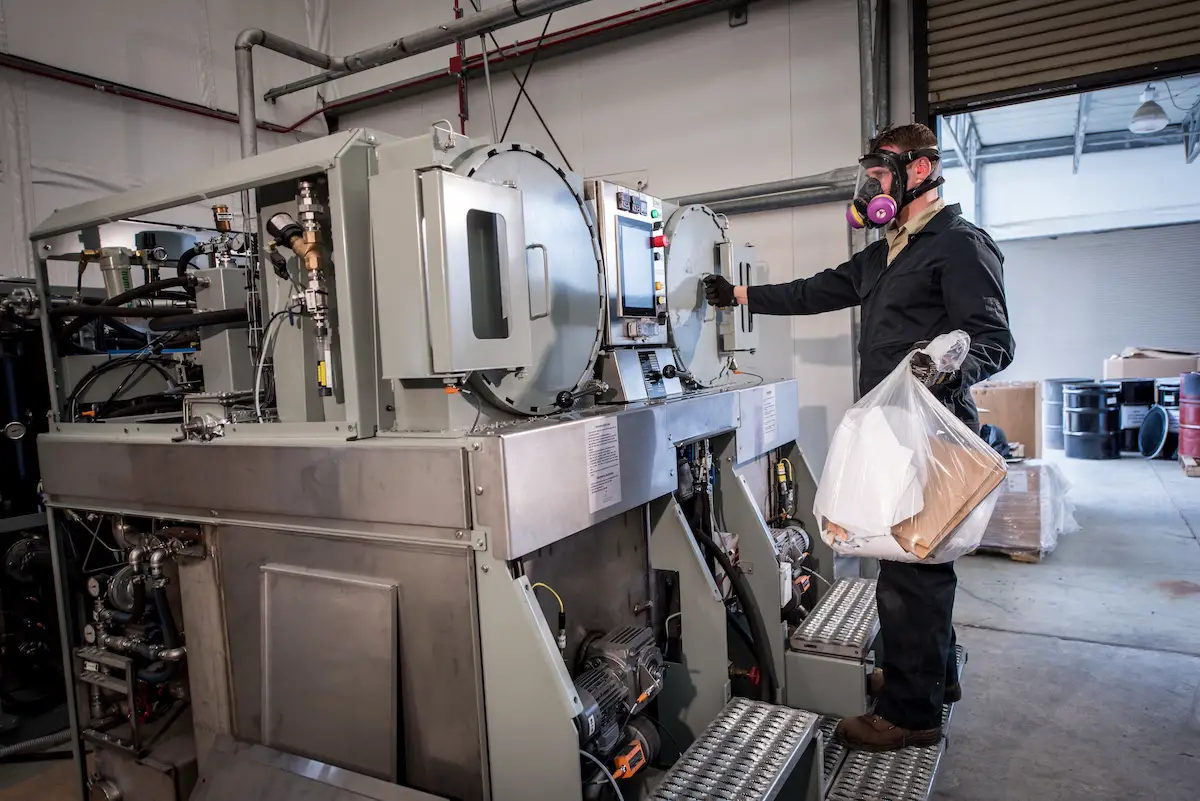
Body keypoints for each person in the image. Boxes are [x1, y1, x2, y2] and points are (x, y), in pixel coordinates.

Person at [702, 122, 1014, 752]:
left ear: (919, 171)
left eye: (880, 171)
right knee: (910, 566)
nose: (870, 185)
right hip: (891, 431)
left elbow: (996, 340)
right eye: (868, 174)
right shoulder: (888, 250)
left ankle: (911, 714)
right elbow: (818, 289)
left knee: (911, 577)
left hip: (931, 430)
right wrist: (738, 294)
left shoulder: (957, 243)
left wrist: (948, 364)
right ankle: (932, 677)